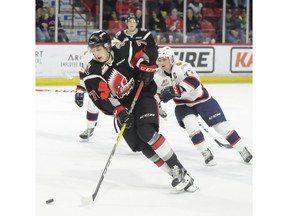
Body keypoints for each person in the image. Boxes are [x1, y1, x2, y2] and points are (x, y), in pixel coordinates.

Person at [82, 30, 198, 192]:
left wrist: (149, 69)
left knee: (147, 132)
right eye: (93, 50)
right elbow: (102, 98)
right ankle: (175, 175)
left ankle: (180, 169)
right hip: (123, 107)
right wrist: (119, 111)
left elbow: (150, 44)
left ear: (108, 46)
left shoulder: (126, 49)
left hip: (142, 94)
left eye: (99, 49)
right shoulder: (93, 71)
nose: (96, 53)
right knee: (140, 145)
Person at [156, 46, 253, 165]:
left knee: (221, 126)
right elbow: (157, 93)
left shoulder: (183, 66)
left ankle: (243, 150)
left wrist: (177, 89)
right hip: (183, 105)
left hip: (202, 100)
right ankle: (205, 153)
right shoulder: (158, 76)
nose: (161, 62)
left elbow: (194, 81)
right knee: (192, 127)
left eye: (164, 59)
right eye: (159, 60)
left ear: (171, 59)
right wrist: (156, 100)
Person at [74, 49, 100, 140]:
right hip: (100, 86)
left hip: (117, 84)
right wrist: (80, 92)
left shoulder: (114, 48)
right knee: (93, 103)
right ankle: (90, 128)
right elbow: (83, 78)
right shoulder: (86, 56)